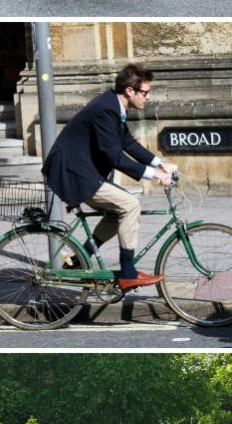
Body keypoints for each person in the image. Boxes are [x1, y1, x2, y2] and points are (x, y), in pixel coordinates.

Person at [42, 63, 178, 291]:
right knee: (130, 205)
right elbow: (115, 157)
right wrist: (154, 175)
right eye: (145, 92)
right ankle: (128, 273)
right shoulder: (106, 110)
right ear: (130, 91)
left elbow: (127, 143)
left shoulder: (114, 107)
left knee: (117, 213)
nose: (148, 97)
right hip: (74, 173)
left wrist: (160, 163)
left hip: (83, 171)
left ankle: (80, 258)